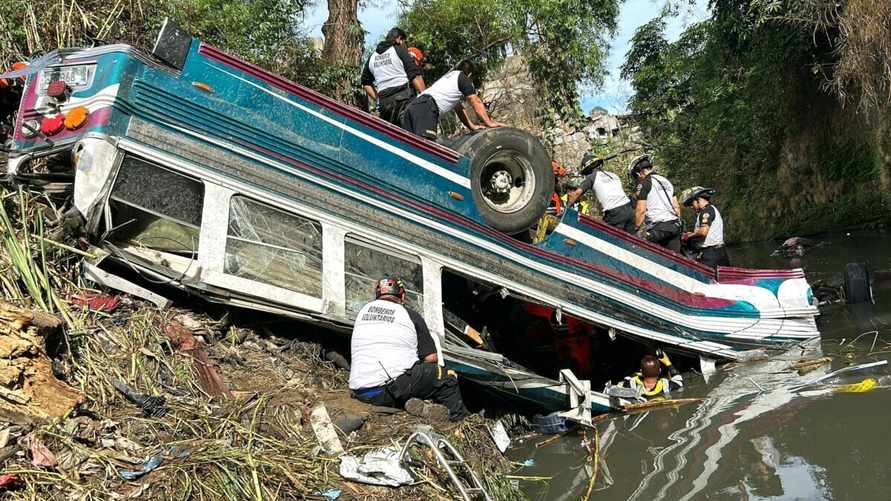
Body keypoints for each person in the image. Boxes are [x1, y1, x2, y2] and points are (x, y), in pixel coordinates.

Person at [348, 277, 470, 421]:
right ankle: (459, 421)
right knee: (446, 376)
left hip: (360, 391)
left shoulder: (363, 312)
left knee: (407, 374)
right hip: (387, 391)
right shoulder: (409, 315)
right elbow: (431, 358)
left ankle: (420, 407)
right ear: (402, 296)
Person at [402, 59, 504, 139]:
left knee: (412, 149)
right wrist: (489, 123)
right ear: (470, 74)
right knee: (426, 149)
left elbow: (459, 109)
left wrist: (471, 126)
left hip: (412, 107)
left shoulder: (450, 78)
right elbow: (475, 101)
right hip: (425, 109)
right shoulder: (464, 78)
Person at [361, 27, 426, 126]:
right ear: (399, 39)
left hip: (384, 106)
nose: (405, 46)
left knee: (392, 134)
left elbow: (365, 83)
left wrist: (378, 99)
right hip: (404, 101)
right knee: (413, 130)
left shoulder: (372, 57)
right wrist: (426, 98)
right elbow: (415, 76)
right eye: (404, 42)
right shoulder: (399, 50)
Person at [564, 152, 635, 232]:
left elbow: (576, 194)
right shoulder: (613, 175)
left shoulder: (591, 177)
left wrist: (566, 209)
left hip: (614, 213)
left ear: (587, 169)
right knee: (629, 238)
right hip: (629, 209)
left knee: (604, 236)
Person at [629, 155, 682, 251]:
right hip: (675, 226)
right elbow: (676, 207)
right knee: (672, 258)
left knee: (637, 247)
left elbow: (641, 211)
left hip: (659, 228)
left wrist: (634, 229)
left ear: (638, 173)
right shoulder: (666, 181)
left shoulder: (644, 183)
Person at [682, 186, 731, 267]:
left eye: (691, 203)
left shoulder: (706, 211)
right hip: (719, 252)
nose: (691, 207)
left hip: (711, 254)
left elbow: (703, 232)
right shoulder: (711, 209)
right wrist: (693, 233)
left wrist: (688, 236)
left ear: (698, 200)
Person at [618, 351, 683, 400]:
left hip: (635, 394)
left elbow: (621, 384)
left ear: (641, 371)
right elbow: (679, 380)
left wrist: (634, 375)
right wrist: (668, 363)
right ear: (660, 371)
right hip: (662, 395)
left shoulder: (631, 382)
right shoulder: (666, 385)